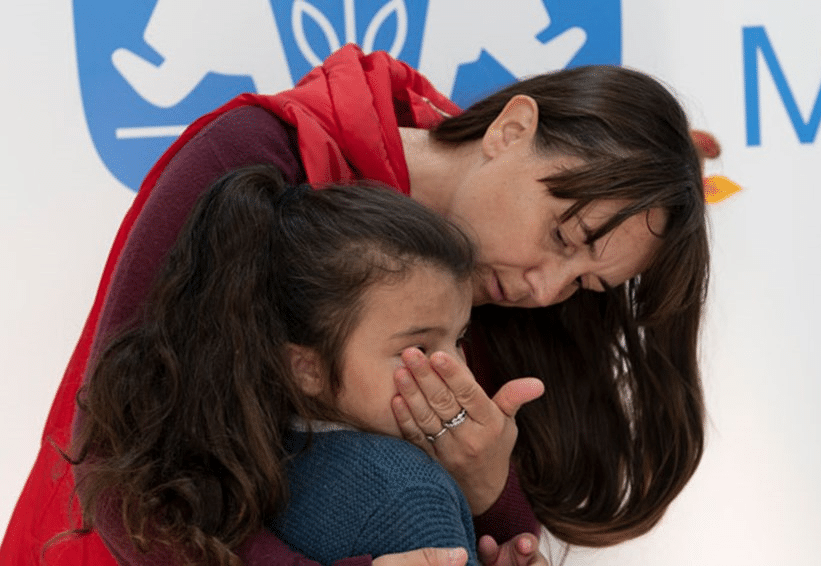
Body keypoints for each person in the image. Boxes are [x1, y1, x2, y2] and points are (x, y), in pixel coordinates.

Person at [1, 44, 710, 566]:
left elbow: (500, 536)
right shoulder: (258, 155)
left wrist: (490, 486)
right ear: (510, 130)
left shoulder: (499, 282)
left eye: (587, 283)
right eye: (564, 235)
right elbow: (117, 462)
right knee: (402, 495)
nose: (546, 288)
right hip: (116, 547)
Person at [72, 166, 490, 566]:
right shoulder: (410, 493)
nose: (453, 372)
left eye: (458, 340)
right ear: (305, 369)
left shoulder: (247, 460)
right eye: (416, 348)